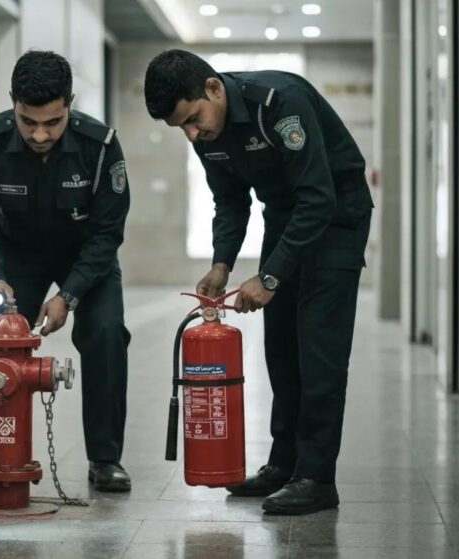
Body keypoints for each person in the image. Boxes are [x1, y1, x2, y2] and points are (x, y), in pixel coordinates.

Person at [144, 50, 373, 515]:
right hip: (287, 218)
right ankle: (284, 465)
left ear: (212, 88)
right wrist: (222, 264)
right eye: (182, 129)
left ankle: (316, 478)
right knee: (282, 350)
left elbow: (318, 196)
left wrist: (269, 275)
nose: (192, 133)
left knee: (319, 354)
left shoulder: (279, 103)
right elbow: (229, 200)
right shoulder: (205, 130)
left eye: (192, 120)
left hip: (336, 217)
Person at [0, 50, 132, 492]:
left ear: (70, 102)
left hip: (85, 256)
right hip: (15, 258)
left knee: (107, 334)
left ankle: (105, 459)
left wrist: (68, 296)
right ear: (13, 102)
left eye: (53, 121)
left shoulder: (100, 146)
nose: (41, 133)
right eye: (29, 122)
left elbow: (107, 234)